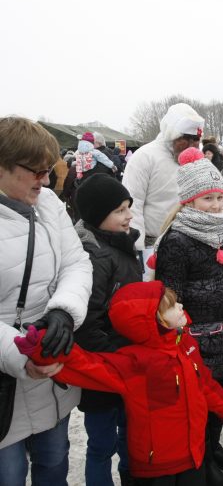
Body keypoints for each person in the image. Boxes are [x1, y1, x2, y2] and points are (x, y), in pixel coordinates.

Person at [14, 281, 223, 486]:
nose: (181, 307)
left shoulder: (184, 344)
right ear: (155, 320)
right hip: (157, 466)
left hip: (193, 456)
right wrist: (44, 346)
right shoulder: (135, 363)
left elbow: (203, 382)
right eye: (173, 306)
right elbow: (87, 365)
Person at [0, 117, 92, 485]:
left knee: (54, 462)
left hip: (52, 369)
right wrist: (17, 353)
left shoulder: (51, 203)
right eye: (35, 170)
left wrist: (63, 313)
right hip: (7, 374)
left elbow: (76, 261)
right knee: (9, 474)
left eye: (48, 169)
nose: (46, 178)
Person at [155, 148, 223, 486]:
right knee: (201, 406)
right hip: (198, 342)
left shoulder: (222, 230)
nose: (217, 205)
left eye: (220, 197)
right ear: (190, 201)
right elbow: (169, 296)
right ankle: (202, 462)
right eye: (208, 198)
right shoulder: (177, 241)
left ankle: (213, 446)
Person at [72, 174, 143, 486]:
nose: (129, 215)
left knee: (132, 434)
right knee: (102, 443)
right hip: (103, 372)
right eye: (120, 210)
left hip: (127, 362)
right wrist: (118, 358)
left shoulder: (122, 245)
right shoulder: (95, 257)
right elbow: (88, 323)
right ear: (98, 216)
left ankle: (131, 477)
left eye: (128, 207)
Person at [122, 103, 204, 256]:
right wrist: (137, 251)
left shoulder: (196, 160)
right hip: (152, 245)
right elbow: (132, 206)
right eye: (186, 138)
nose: (192, 145)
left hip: (190, 242)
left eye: (196, 139)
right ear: (171, 134)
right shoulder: (144, 157)